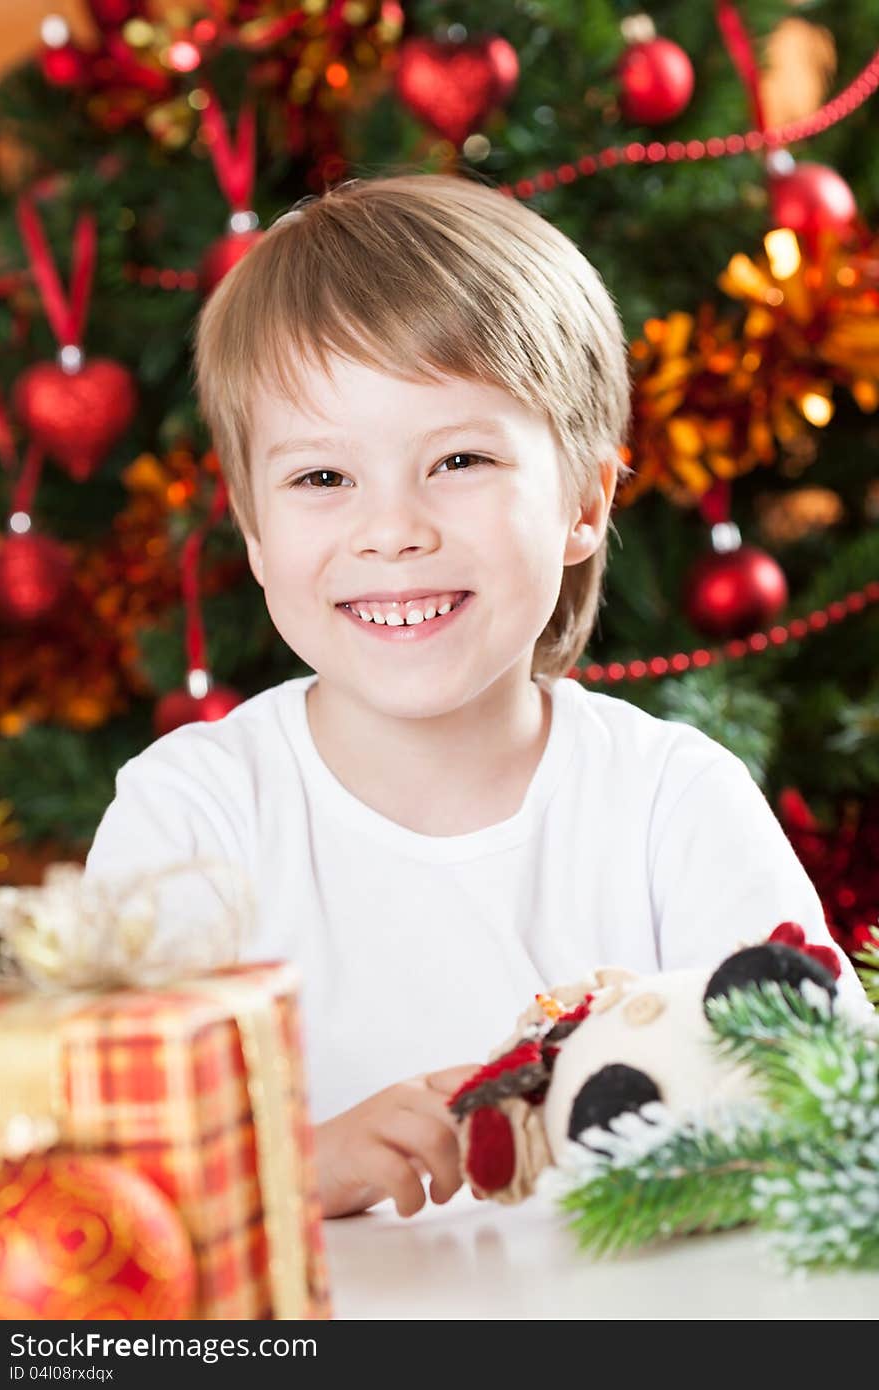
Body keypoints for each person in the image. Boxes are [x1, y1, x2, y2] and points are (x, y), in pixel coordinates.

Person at [84, 170, 872, 1221]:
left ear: (585, 501)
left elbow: (836, 1115)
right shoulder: (193, 816)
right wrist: (290, 1168)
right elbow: (87, 1173)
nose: (392, 529)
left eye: (457, 458)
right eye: (323, 479)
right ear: (255, 533)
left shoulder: (671, 802)